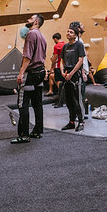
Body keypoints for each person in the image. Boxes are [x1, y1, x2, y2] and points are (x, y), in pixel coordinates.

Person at [12, 14, 47, 144]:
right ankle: (37, 131)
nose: (28, 20)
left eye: (31, 19)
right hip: (40, 72)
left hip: (31, 73)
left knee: (23, 104)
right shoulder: (42, 36)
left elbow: (27, 57)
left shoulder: (31, 34)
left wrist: (21, 73)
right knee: (37, 103)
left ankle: (24, 135)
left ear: (36, 22)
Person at [60, 27, 86, 132]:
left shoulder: (79, 45)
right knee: (69, 100)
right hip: (66, 75)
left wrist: (71, 73)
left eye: (71, 32)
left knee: (77, 100)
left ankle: (81, 121)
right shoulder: (65, 46)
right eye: (68, 31)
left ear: (75, 35)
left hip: (75, 75)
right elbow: (61, 61)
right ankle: (71, 122)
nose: (69, 33)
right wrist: (62, 72)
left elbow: (80, 61)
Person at [48, 32, 65, 105]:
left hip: (58, 66)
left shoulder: (56, 46)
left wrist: (52, 67)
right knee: (62, 83)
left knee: (58, 83)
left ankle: (61, 100)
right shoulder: (65, 44)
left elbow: (55, 57)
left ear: (55, 39)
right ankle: (62, 99)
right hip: (64, 66)